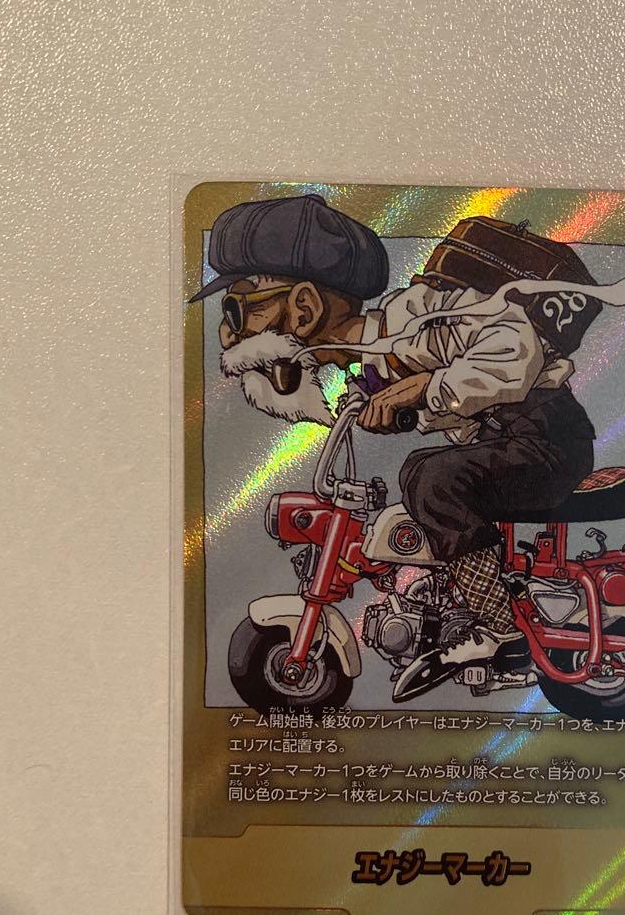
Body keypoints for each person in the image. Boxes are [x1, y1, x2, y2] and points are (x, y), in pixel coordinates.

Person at [191, 194, 595, 702]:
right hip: (509, 441)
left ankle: (500, 631)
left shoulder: (419, 317)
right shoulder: (376, 361)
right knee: (419, 476)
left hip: (547, 441)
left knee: (432, 479)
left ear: (304, 309)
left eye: (237, 310)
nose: (228, 334)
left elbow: (514, 346)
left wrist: (427, 388)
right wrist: (400, 404)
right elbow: (434, 404)